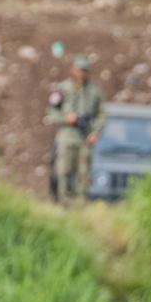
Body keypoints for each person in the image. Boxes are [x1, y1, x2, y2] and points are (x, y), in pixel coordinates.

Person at [46, 54, 106, 205]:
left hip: (85, 137)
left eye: (85, 70)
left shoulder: (94, 90)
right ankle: (63, 204)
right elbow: (51, 111)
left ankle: (80, 204)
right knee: (64, 171)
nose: (82, 73)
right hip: (67, 136)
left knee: (83, 173)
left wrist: (96, 132)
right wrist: (66, 118)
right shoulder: (63, 89)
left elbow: (102, 114)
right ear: (72, 70)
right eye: (79, 70)